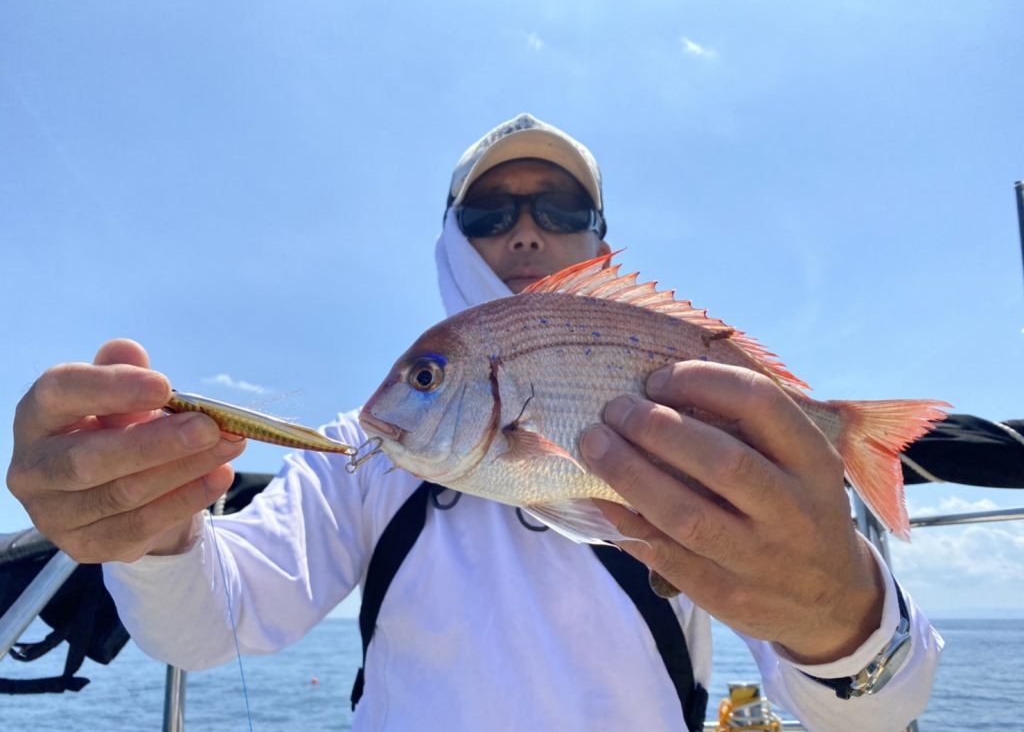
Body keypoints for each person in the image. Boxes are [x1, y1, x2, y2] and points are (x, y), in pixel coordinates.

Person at [7, 113, 941, 731]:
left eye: (560, 208)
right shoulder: (364, 448)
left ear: (599, 238)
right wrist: (153, 533)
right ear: (452, 240)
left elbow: (868, 712)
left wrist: (841, 614)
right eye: (491, 212)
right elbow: (215, 621)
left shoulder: (710, 437)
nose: (525, 231)